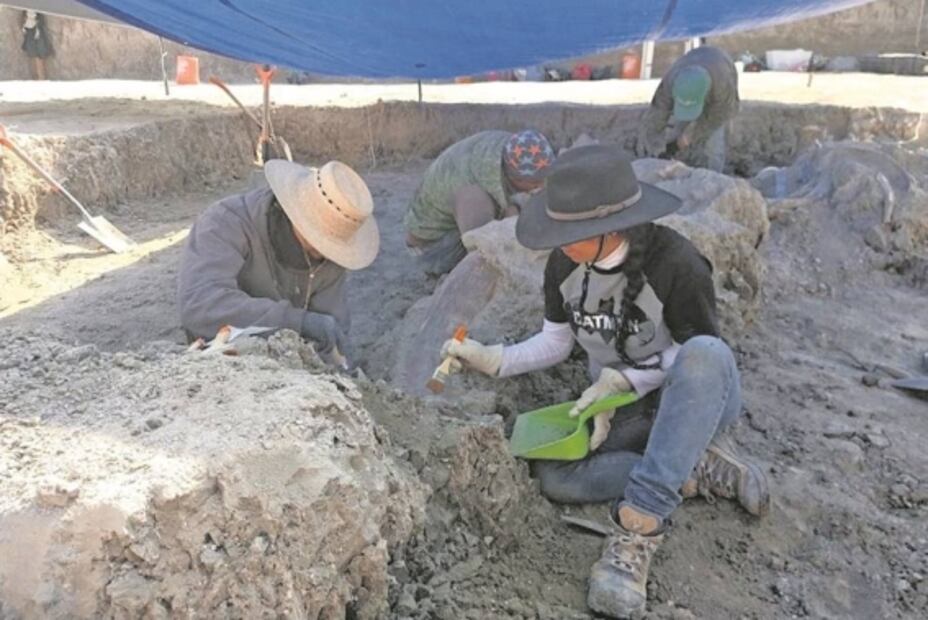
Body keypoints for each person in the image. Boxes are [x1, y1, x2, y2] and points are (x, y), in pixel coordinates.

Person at [442, 145, 768, 618]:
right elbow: (556, 342)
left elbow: (698, 356)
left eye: (568, 234)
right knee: (554, 475)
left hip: (690, 403)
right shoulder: (564, 265)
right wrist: (495, 359)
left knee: (707, 353)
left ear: (610, 228)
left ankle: (639, 522)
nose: (559, 243)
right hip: (617, 408)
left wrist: (628, 379)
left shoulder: (677, 262)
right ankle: (692, 470)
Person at [178, 160, 379, 367]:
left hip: (288, 370)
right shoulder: (225, 223)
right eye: (321, 241)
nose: (325, 253)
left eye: (333, 246)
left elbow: (331, 332)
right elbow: (201, 305)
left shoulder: (330, 258)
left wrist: (339, 359)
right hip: (220, 361)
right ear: (297, 214)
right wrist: (297, 322)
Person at [405, 129, 555, 275]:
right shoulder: (473, 197)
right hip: (434, 249)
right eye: (536, 183)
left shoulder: (508, 149)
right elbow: (483, 253)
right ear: (515, 178)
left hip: (457, 215)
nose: (542, 186)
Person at [636, 46, 739, 173]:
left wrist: (687, 137)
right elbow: (658, 113)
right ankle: (672, 163)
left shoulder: (723, 85)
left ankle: (715, 174)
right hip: (696, 60)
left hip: (720, 66)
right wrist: (656, 147)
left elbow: (717, 118)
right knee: (677, 130)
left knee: (714, 144)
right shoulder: (671, 81)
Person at [20, 11, 52, 81]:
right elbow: (24, 20)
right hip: (29, 32)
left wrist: (38, 29)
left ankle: (42, 77)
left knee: (40, 56)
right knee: (33, 55)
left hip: (37, 32)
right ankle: (37, 78)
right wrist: (24, 26)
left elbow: (40, 20)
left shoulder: (37, 10)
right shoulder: (25, 11)